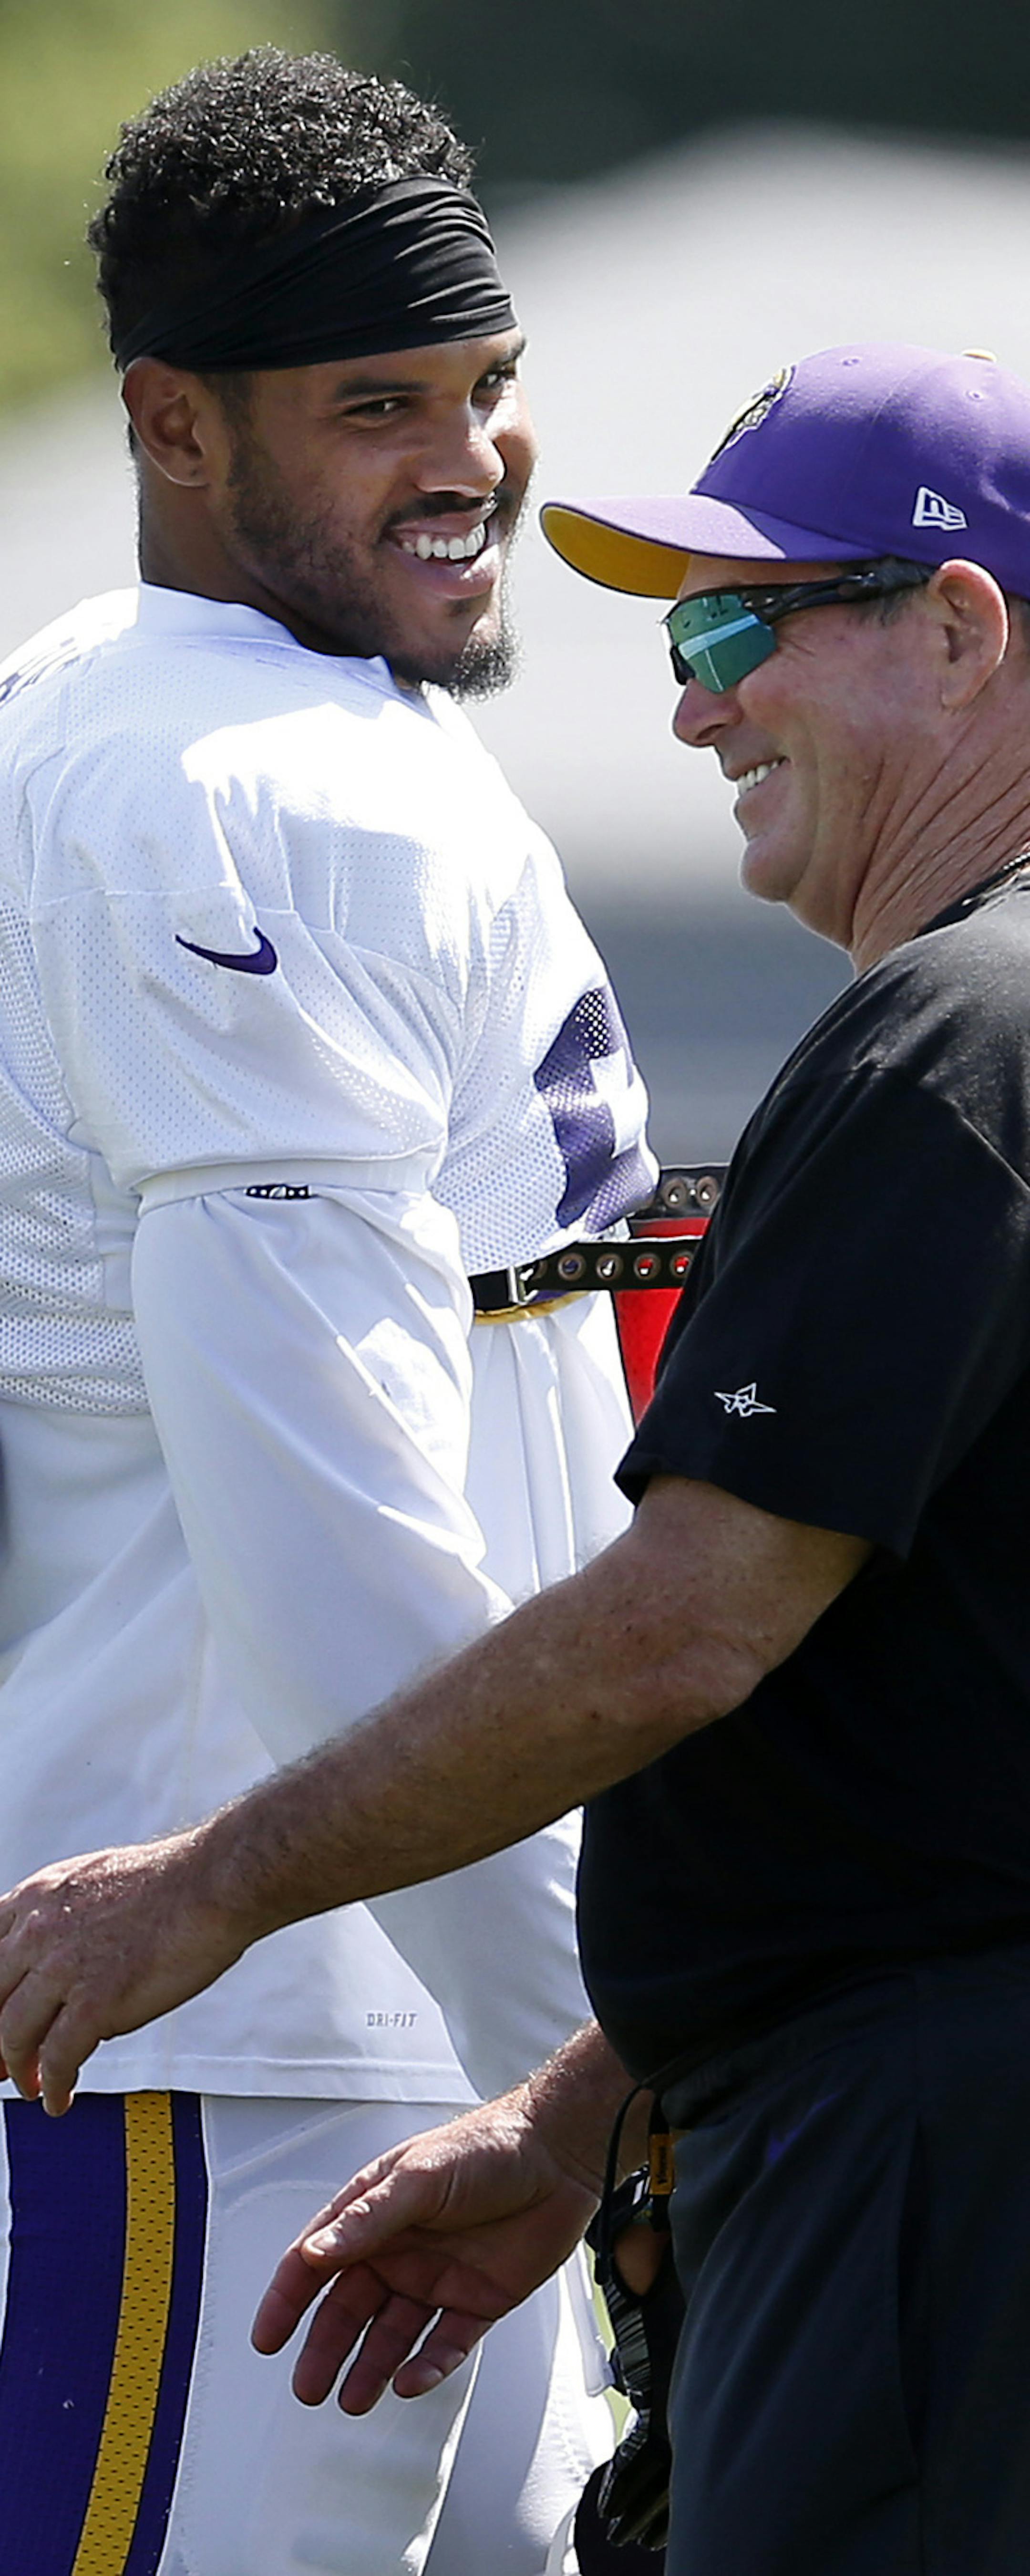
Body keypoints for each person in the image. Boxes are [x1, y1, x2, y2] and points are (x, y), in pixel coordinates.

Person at [8, 337, 1030, 2573]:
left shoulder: (964, 1031)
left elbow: (686, 1634)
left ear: (961, 630)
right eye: (681, 637)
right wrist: (590, 2109)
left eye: (746, 628)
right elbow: (927, 1761)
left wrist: (212, 1883)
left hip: (928, 2171)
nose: (694, 703)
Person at [0, 46, 665, 2576]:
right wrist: (593, 2092)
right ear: (173, 426)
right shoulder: (235, 790)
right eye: (374, 403)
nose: (470, 456)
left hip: (391, 2024)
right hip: (260, 2057)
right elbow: (329, 1512)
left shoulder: (282, 732)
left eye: (488, 387)